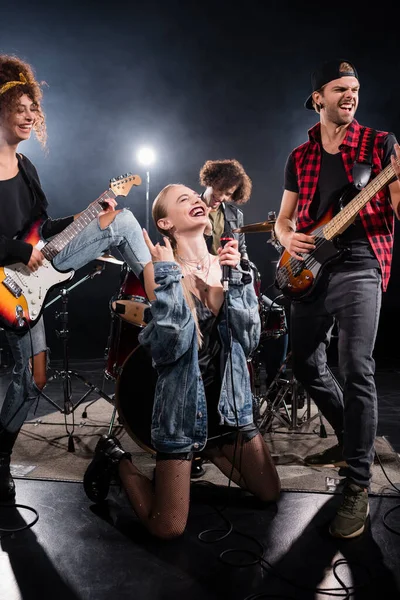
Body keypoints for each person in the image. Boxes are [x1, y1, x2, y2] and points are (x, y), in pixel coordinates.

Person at [83, 183, 280, 539]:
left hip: (230, 407)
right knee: (167, 527)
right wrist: (170, 277)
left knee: (269, 493)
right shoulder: (159, 270)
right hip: (183, 413)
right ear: (165, 224)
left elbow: (249, 343)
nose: (196, 201)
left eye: (195, 196)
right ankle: (117, 459)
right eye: (182, 200)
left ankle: (213, 448)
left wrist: (237, 281)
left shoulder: (231, 264)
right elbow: (172, 347)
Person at [0, 54, 152, 502]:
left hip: (26, 284)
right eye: (21, 106)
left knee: (34, 380)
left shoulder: (27, 169)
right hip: (6, 277)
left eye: (35, 109)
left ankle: (162, 296)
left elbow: (44, 229)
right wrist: (19, 251)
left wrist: (90, 214)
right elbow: (23, 244)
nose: (30, 115)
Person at [274, 58, 400, 539]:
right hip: (309, 268)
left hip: (361, 262)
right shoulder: (299, 155)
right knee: (305, 362)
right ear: (318, 98)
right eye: (340, 88)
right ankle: (353, 437)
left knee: (355, 366)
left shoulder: (381, 145)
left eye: (356, 88)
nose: (351, 95)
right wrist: (288, 239)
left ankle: (357, 483)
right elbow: (285, 219)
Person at [200, 158, 288, 390]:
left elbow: (244, 251)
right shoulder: (190, 206)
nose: (224, 197)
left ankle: (272, 384)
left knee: (275, 314)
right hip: (201, 283)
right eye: (221, 190)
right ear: (210, 180)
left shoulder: (234, 214)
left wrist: (243, 263)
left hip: (232, 281)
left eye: (229, 194)